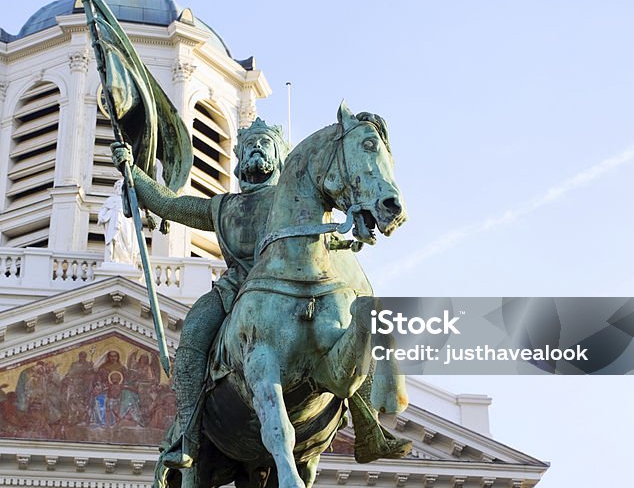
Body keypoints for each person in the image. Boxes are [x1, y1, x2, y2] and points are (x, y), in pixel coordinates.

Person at [111, 118, 411, 468]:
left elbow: (345, 192)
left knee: (351, 323)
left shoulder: (305, 203)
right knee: (193, 335)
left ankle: (368, 426)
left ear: (283, 157)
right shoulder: (223, 207)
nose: (257, 148)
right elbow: (169, 205)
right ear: (238, 160)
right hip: (235, 293)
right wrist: (133, 172)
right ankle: (187, 435)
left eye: (265, 142)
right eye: (250, 144)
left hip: (305, 289)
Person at [97, 179, 139, 264]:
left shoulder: (130, 200)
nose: (119, 188)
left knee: (127, 240)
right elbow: (103, 210)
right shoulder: (111, 200)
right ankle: (113, 257)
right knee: (114, 238)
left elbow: (136, 213)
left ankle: (126, 258)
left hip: (126, 221)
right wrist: (101, 217)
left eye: (121, 186)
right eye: (118, 186)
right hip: (113, 220)